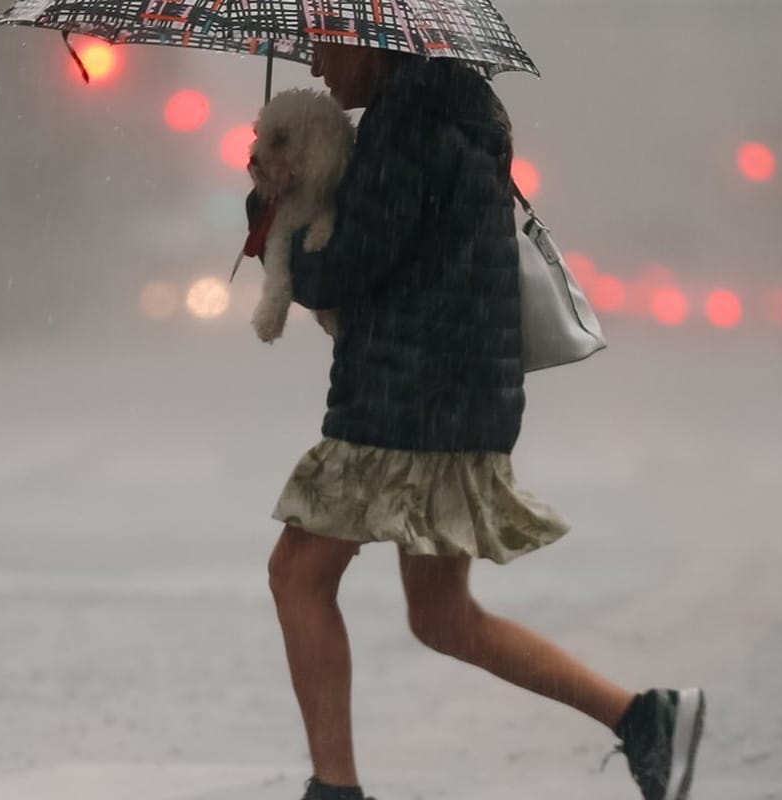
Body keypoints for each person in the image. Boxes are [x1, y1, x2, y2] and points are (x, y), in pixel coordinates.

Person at [250, 42, 705, 800]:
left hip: (406, 400)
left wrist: (272, 219)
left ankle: (336, 790)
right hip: (455, 397)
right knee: (442, 614)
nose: (319, 68)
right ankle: (643, 720)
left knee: (296, 575)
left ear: (368, 37)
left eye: (327, 45)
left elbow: (348, 265)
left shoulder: (407, 124)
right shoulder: (452, 109)